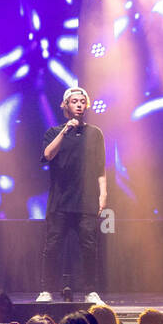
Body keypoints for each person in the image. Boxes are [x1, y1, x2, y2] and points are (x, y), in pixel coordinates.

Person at [38, 86, 106, 305]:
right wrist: (64, 131)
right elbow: (48, 154)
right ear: (65, 105)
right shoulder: (53, 132)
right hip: (60, 201)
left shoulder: (95, 133)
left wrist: (103, 193)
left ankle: (90, 291)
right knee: (53, 246)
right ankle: (47, 289)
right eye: (74, 101)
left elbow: (100, 167)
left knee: (89, 247)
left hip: (86, 200)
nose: (78, 104)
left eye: (81, 101)